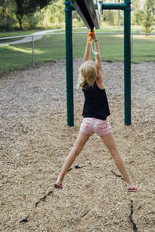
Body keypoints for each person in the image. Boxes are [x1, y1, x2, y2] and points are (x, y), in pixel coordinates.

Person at [54, 30, 138, 192]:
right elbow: (97, 59)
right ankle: (129, 184)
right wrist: (95, 41)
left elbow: (86, 63)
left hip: (87, 123)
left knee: (75, 150)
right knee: (114, 153)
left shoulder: (84, 82)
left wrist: (88, 42)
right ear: (96, 73)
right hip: (100, 123)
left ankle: (59, 179)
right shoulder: (99, 81)